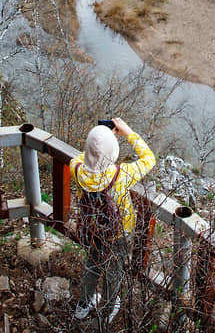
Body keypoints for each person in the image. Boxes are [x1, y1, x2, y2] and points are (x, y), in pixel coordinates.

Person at [70, 117, 156, 324]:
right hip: (118, 233)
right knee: (114, 270)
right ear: (113, 154)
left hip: (92, 229)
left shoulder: (76, 169)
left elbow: (87, 155)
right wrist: (128, 132)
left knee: (92, 264)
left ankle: (83, 304)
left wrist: (98, 139)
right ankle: (108, 308)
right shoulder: (121, 174)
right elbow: (149, 158)